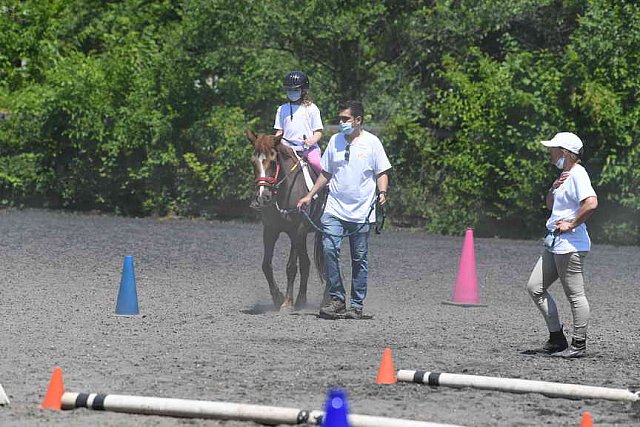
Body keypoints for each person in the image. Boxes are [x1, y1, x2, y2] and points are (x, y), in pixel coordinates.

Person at [297, 100, 391, 319]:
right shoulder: (335, 141)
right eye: (340, 119)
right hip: (334, 209)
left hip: (361, 212)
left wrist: (382, 192)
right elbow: (326, 172)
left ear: (358, 120)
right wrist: (310, 195)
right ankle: (337, 299)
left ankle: (356, 305)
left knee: (359, 258)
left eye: (345, 119)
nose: (341, 123)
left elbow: (382, 172)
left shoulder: (372, 143)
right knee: (329, 249)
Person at [525, 132, 598, 358]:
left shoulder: (578, 173)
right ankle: (557, 338)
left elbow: (591, 203)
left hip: (570, 244)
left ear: (564, 152)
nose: (550, 151)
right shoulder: (565, 175)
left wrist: (572, 223)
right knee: (535, 287)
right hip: (555, 242)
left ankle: (578, 344)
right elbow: (549, 204)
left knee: (575, 295)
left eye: (553, 148)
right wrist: (553, 187)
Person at [274, 70, 323, 175]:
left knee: (317, 164)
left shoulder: (311, 108)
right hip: (286, 150)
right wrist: (274, 142)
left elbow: (318, 131)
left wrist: (311, 141)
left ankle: (328, 186)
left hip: (307, 149)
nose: (291, 93)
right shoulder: (282, 109)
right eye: (289, 90)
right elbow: (279, 131)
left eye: (295, 90)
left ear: (303, 90)